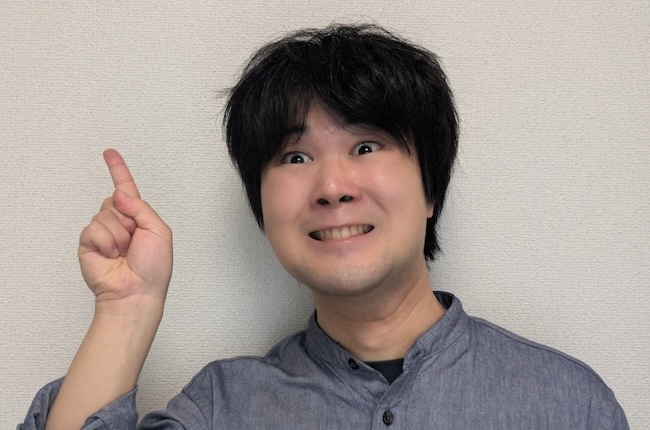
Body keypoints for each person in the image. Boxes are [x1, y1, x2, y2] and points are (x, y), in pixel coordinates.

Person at [20, 24, 627, 429]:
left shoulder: (568, 403)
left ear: (430, 190)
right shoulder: (222, 408)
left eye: (366, 146)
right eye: (295, 157)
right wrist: (125, 308)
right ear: (264, 210)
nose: (333, 186)